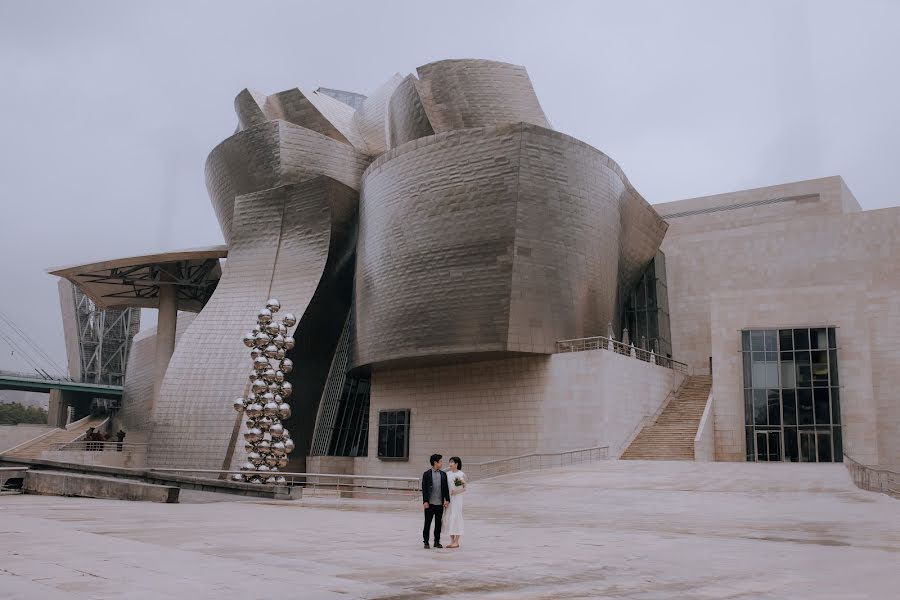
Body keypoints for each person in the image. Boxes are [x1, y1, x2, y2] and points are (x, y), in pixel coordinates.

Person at [421, 453, 450, 549]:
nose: (442, 463)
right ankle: (426, 542)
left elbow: (446, 488)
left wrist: (447, 500)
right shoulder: (427, 474)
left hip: (439, 504)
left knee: (438, 524)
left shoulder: (443, 474)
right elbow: (424, 489)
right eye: (440, 461)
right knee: (427, 523)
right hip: (429, 504)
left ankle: (436, 542)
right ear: (435, 462)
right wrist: (425, 501)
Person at [445, 456, 466, 548]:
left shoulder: (460, 474)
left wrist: (456, 491)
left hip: (457, 499)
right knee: (449, 518)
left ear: (457, 464)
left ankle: (457, 541)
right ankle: (452, 541)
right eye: (449, 462)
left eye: (452, 462)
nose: (450, 464)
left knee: (456, 517)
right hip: (449, 499)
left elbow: (464, 488)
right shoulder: (447, 474)